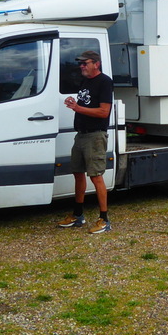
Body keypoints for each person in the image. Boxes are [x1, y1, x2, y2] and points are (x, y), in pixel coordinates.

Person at [58, 50, 114, 234]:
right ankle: (78, 215)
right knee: (78, 173)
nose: (81, 66)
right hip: (81, 135)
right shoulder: (85, 81)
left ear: (96, 64)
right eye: (80, 64)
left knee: (96, 176)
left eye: (85, 63)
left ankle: (104, 220)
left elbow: (104, 112)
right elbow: (85, 104)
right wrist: (73, 102)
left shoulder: (104, 82)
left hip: (95, 136)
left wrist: (77, 108)